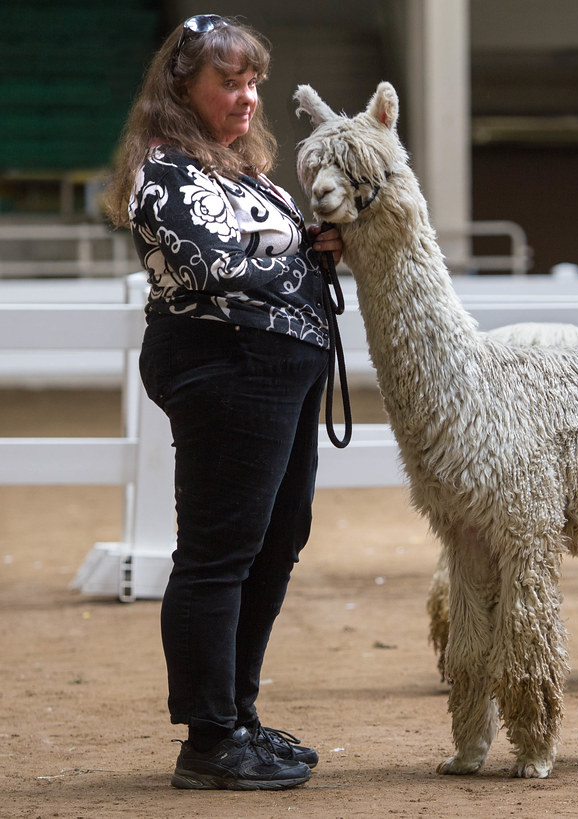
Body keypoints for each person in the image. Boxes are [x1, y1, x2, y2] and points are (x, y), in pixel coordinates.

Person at [105, 14, 344, 789]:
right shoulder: (164, 168)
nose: (246, 98)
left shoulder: (244, 172)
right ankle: (207, 738)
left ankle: (237, 714)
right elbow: (212, 266)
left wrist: (314, 248)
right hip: (225, 364)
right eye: (228, 82)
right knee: (219, 550)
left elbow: (258, 258)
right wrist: (299, 263)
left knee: (276, 541)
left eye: (252, 83)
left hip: (278, 367)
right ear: (184, 87)